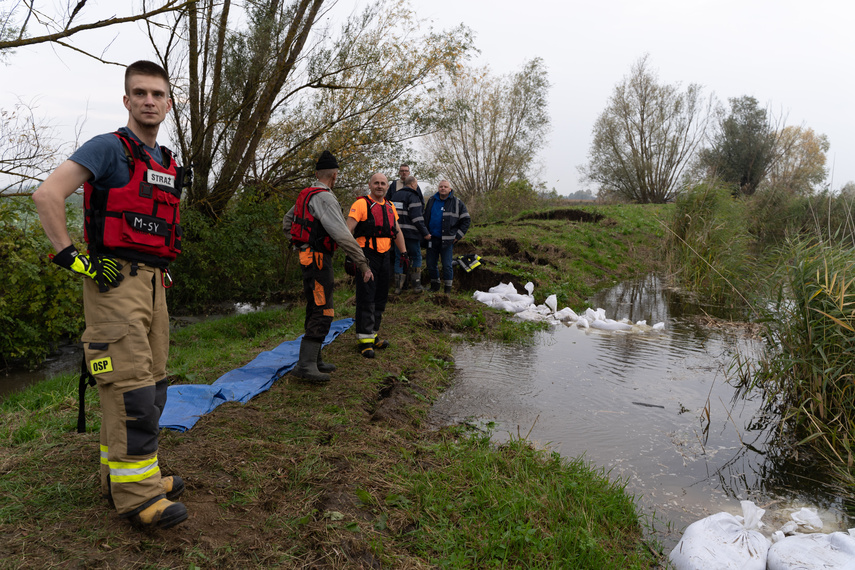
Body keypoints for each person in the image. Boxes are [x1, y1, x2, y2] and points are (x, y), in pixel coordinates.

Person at [32, 60, 189, 529]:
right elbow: (47, 195)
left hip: (153, 284)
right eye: (139, 93)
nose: (148, 101)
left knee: (152, 386)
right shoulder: (107, 149)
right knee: (131, 389)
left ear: (167, 103)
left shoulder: (165, 162)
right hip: (113, 282)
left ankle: (121, 476)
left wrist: (159, 272)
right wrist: (71, 257)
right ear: (126, 100)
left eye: (157, 94)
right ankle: (138, 496)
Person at [283, 151, 374, 383]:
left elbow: (287, 222)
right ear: (334, 176)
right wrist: (362, 263)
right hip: (319, 260)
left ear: (316, 174)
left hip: (307, 257)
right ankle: (305, 365)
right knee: (323, 307)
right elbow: (343, 235)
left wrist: (300, 246)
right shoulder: (325, 198)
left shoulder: (306, 195)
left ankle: (315, 359)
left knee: (315, 304)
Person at [346, 173, 407, 358]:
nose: (380, 186)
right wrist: (352, 256)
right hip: (366, 256)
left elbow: (396, 231)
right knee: (367, 296)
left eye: (383, 183)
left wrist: (403, 252)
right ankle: (364, 341)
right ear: (370, 185)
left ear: (387, 186)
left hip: (385, 256)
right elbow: (347, 230)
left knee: (381, 297)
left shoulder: (389, 206)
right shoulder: (361, 204)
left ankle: (373, 334)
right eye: (376, 183)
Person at [424, 180, 471, 293]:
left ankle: (447, 290)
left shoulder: (457, 202)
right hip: (432, 239)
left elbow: (466, 220)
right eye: (441, 186)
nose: (443, 188)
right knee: (430, 264)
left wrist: (457, 236)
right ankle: (435, 287)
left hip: (447, 240)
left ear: (450, 189)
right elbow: (426, 217)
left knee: (447, 265)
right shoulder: (431, 200)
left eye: (445, 187)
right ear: (438, 188)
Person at [389, 175, 430, 294]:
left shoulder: (395, 196)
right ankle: (416, 286)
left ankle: (398, 287)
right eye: (416, 185)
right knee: (417, 257)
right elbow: (417, 218)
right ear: (413, 185)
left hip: (397, 234)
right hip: (411, 234)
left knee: (399, 258)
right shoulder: (413, 196)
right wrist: (425, 233)